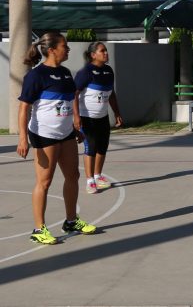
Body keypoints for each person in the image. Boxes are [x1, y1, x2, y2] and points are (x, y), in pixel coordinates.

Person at [17, 32, 97, 245]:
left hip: (66, 133)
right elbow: (24, 108)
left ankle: (71, 221)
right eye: (64, 45)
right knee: (45, 182)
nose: (68, 49)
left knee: (73, 176)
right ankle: (38, 229)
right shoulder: (36, 75)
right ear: (52, 49)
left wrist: (75, 127)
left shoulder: (65, 73)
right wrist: (23, 139)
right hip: (44, 135)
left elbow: (69, 101)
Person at [73, 41, 123, 194]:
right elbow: (74, 94)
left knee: (102, 147)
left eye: (106, 50)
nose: (106, 53)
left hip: (103, 117)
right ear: (93, 55)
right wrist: (76, 117)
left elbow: (111, 94)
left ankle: (98, 175)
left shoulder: (109, 71)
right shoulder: (85, 72)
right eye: (102, 51)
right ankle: (90, 181)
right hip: (87, 117)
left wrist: (117, 113)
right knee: (91, 148)